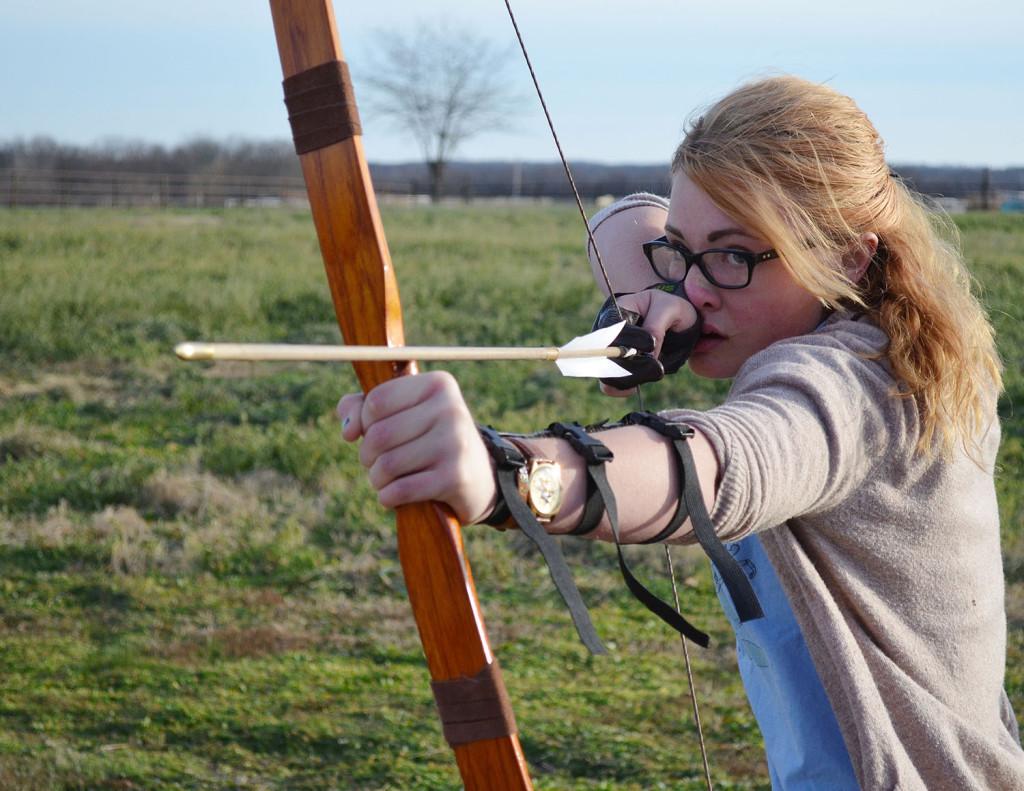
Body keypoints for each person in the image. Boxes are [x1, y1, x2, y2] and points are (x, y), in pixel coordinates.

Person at [337, 75, 1023, 789]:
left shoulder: (857, 387)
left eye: (732, 255)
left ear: (847, 258)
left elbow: (718, 465)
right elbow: (620, 221)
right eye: (680, 251)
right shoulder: (858, 323)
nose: (695, 287)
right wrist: (658, 297)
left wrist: (505, 473)